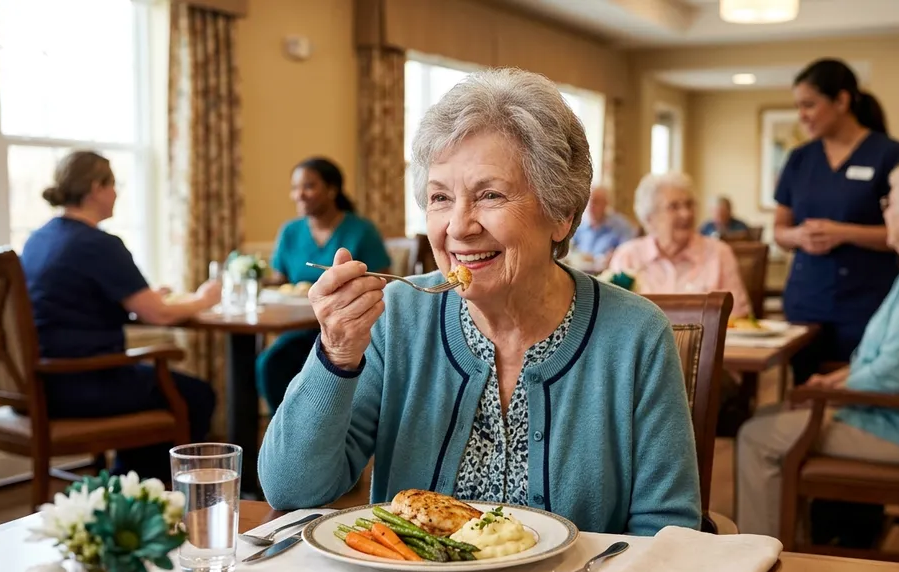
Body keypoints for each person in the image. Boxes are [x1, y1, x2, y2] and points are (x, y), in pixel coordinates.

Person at [256, 68, 700, 535]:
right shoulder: (399, 315)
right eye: (441, 198)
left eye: (490, 195)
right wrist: (337, 355)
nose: (459, 226)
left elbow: (668, 529)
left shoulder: (636, 334)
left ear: (562, 214)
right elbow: (292, 491)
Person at [736, 155, 899, 541]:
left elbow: (893, 375)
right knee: (775, 415)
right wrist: (833, 381)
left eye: (889, 202)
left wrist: (830, 393)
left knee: (756, 436)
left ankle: (761, 562)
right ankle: (791, 550)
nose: (884, 209)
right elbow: (888, 360)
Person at [21, 151, 221, 483]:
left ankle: (123, 483)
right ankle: (143, 493)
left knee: (156, 386)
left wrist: (146, 299)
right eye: (114, 185)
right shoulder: (99, 244)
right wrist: (204, 299)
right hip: (81, 382)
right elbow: (158, 314)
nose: (117, 194)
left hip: (41, 384)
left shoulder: (39, 238)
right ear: (96, 188)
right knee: (195, 395)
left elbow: (75, 302)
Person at [774, 58, 899, 386]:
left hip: (866, 299)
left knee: (860, 389)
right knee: (804, 390)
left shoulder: (890, 154)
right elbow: (779, 231)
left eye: (809, 104)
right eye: (798, 106)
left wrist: (844, 233)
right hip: (806, 299)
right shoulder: (799, 159)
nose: (802, 115)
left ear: (841, 100)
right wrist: (799, 237)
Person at [256, 157, 391, 416]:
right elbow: (280, 280)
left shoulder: (361, 231)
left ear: (332, 189)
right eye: (295, 188)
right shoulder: (290, 232)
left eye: (308, 186)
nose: (299, 195)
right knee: (270, 364)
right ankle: (287, 428)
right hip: (296, 328)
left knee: (279, 362)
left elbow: (381, 282)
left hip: (346, 327)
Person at [607, 172, 752, 318]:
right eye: (674, 207)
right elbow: (614, 321)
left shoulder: (719, 254)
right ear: (650, 218)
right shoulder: (628, 257)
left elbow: (739, 319)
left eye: (689, 205)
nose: (686, 214)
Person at [569, 186, 637, 265]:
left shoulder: (620, 226)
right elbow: (570, 250)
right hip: (580, 272)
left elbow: (628, 251)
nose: (591, 206)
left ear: (606, 203)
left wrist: (614, 256)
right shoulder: (578, 226)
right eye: (587, 202)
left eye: (596, 202)